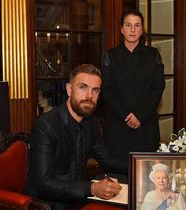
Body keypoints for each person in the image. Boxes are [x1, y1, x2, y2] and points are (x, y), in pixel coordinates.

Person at [25, 64, 128, 210]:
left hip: (79, 199)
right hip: (48, 204)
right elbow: (43, 184)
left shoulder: (91, 122)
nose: (89, 96)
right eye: (83, 87)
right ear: (69, 89)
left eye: (95, 90)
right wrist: (92, 188)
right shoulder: (46, 125)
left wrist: (143, 167)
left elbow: (107, 161)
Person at [100, 8, 165, 163]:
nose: (132, 29)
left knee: (149, 177)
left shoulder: (153, 54)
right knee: (120, 179)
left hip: (146, 126)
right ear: (121, 29)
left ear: (142, 30)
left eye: (137, 25)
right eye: (128, 25)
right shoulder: (110, 56)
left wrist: (139, 115)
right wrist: (127, 117)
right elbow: (107, 91)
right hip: (118, 126)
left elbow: (158, 88)